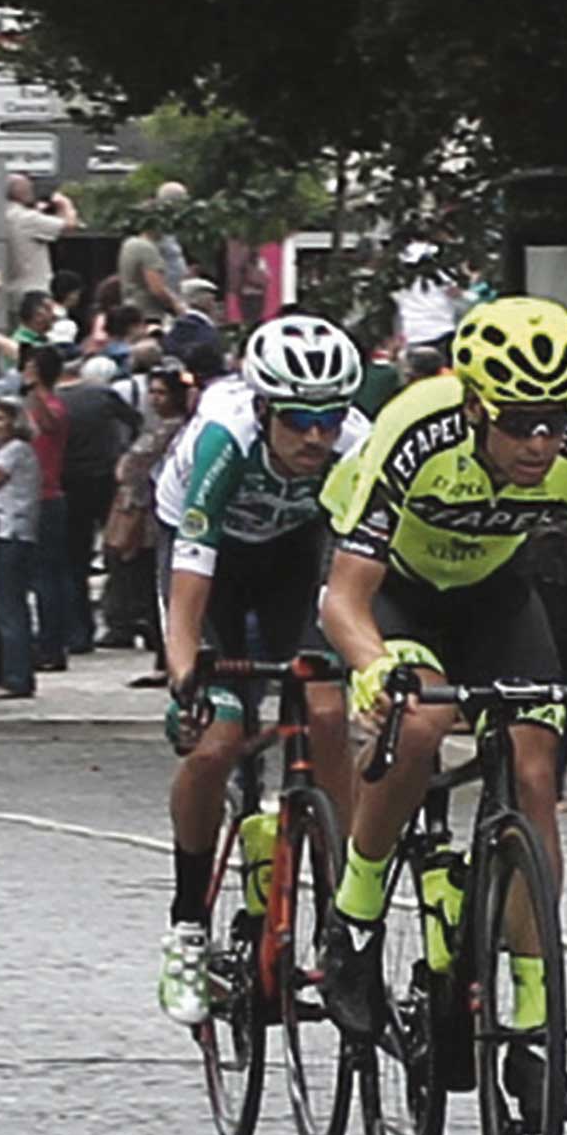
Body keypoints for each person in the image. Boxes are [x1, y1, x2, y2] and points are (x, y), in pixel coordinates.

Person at [334, 295, 567, 1059]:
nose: (541, 442)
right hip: (396, 588)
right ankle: (352, 922)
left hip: (491, 592)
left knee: (533, 769)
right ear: (476, 405)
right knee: (418, 722)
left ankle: (532, 1017)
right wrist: (373, 667)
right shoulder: (416, 429)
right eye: (520, 423)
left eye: (554, 419)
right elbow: (344, 599)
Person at [150, 316, 375, 1001]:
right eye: (300, 419)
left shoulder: (356, 446)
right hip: (206, 559)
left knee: (328, 707)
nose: (316, 436)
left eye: (329, 418)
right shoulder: (225, 438)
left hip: (291, 558)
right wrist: (184, 678)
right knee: (217, 742)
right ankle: (187, 926)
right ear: (265, 408)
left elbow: (360, 567)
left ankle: (340, 909)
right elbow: (191, 578)